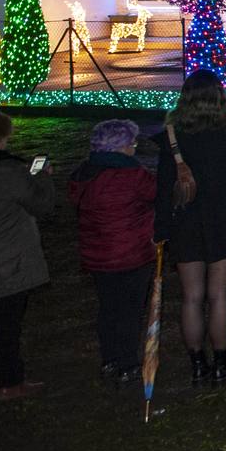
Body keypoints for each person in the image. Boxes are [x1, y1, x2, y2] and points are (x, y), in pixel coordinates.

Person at [153, 69, 226, 385]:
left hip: (186, 222)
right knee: (219, 295)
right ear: (220, 97)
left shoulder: (172, 136)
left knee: (191, 297)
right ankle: (222, 363)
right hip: (225, 219)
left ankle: (198, 365)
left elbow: (163, 189)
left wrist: (161, 231)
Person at [67, 119, 157, 383]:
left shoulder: (83, 175)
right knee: (130, 310)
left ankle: (109, 358)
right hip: (132, 253)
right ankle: (128, 362)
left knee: (108, 308)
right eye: (132, 143)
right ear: (122, 146)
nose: (134, 148)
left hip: (97, 254)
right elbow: (156, 194)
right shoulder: (133, 175)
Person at [0, 110, 55, 401]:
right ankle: (10, 382)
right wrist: (42, 177)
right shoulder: (7, 172)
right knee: (6, 326)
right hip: (6, 263)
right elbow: (41, 205)